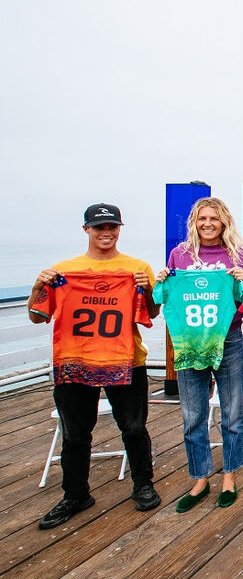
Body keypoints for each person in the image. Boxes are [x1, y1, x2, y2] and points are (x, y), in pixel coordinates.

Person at [29, 203, 162, 529]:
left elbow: (151, 315)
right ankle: (75, 494)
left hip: (126, 360)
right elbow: (37, 315)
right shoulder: (63, 272)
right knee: (75, 433)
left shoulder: (136, 268)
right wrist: (37, 287)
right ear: (86, 229)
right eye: (99, 227)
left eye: (112, 227)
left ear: (119, 229)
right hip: (76, 362)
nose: (106, 233)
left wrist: (146, 290)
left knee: (133, 428)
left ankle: (143, 484)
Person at [156, 197, 243, 511]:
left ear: (224, 221)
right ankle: (200, 478)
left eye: (214, 218)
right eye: (202, 219)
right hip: (190, 343)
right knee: (192, 416)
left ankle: (229, 475)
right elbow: (170, 295)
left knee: (232, 415)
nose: (208, 224)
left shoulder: (241, 255)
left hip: (228, 341)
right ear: (194, 222)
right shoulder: (180, 254)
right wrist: (162, 281)